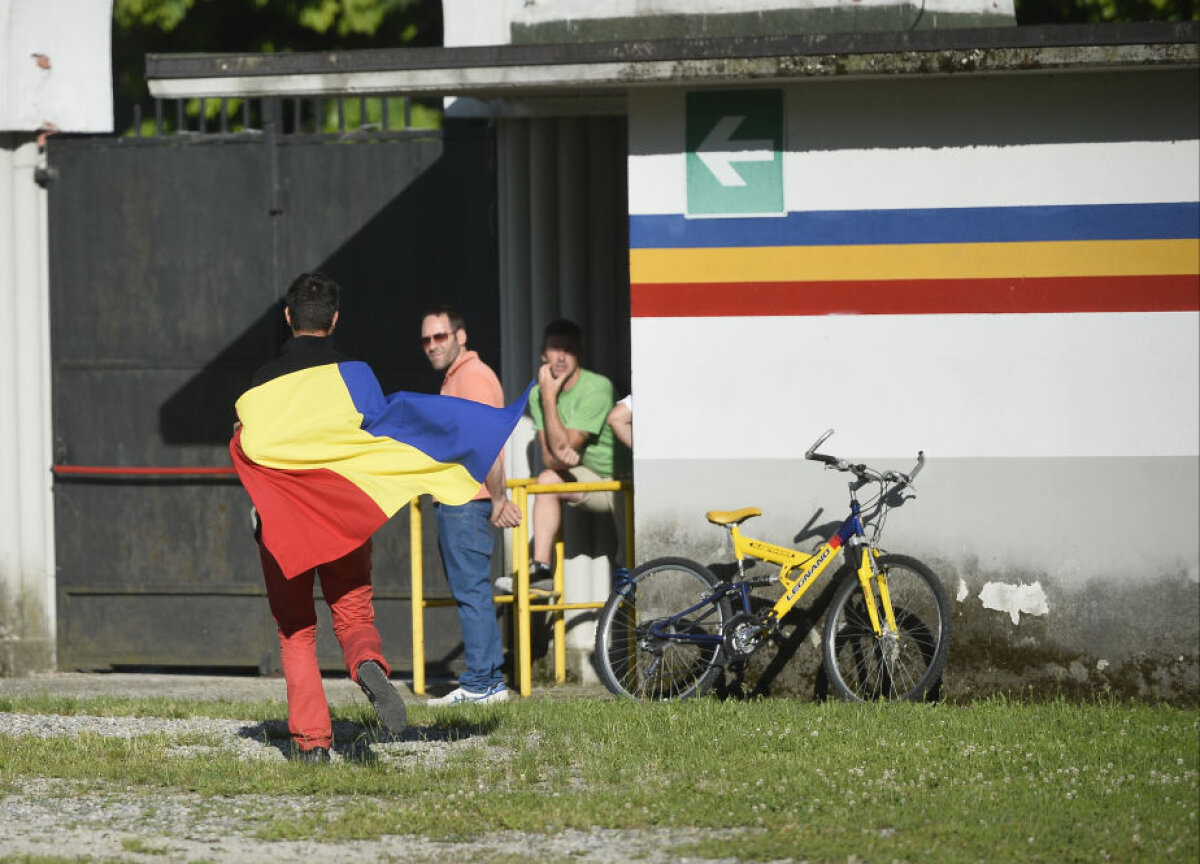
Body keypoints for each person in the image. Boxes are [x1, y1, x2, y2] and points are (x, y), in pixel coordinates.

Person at [235, 272, 408, 763]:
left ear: (288, 318)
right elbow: (380, 439)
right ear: (334, 320)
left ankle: (311, 744)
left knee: (296, 629)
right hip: (341, 520)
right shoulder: (357, 374)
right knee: (353, 616)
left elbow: (248, 443)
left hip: (282, 527)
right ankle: (367, 663)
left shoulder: (263, 382)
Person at [420, 306, 521, 706]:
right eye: (426, 339)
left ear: (460, 336)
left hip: (468, 502)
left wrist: (498, 497)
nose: (432, 345)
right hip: (461, 501)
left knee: (473, 592)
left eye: (440, 336)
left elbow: (487, 441)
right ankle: (488, 681)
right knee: (472, 590)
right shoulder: (458, 378)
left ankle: (482, 683)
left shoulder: (472, 377)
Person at [495, 318, 624, 594]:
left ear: (581, 355)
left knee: (631, 561)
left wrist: (551, 398)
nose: (562, 356)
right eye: (555, 348)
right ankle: (540, 569)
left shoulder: (596, 387)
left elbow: (567, 445)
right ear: (544, 354)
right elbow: (551, 458)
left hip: (623, 481)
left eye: (569, 349)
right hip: (592, 479)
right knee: (547, 479)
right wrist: (547, 398)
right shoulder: (536, 395)